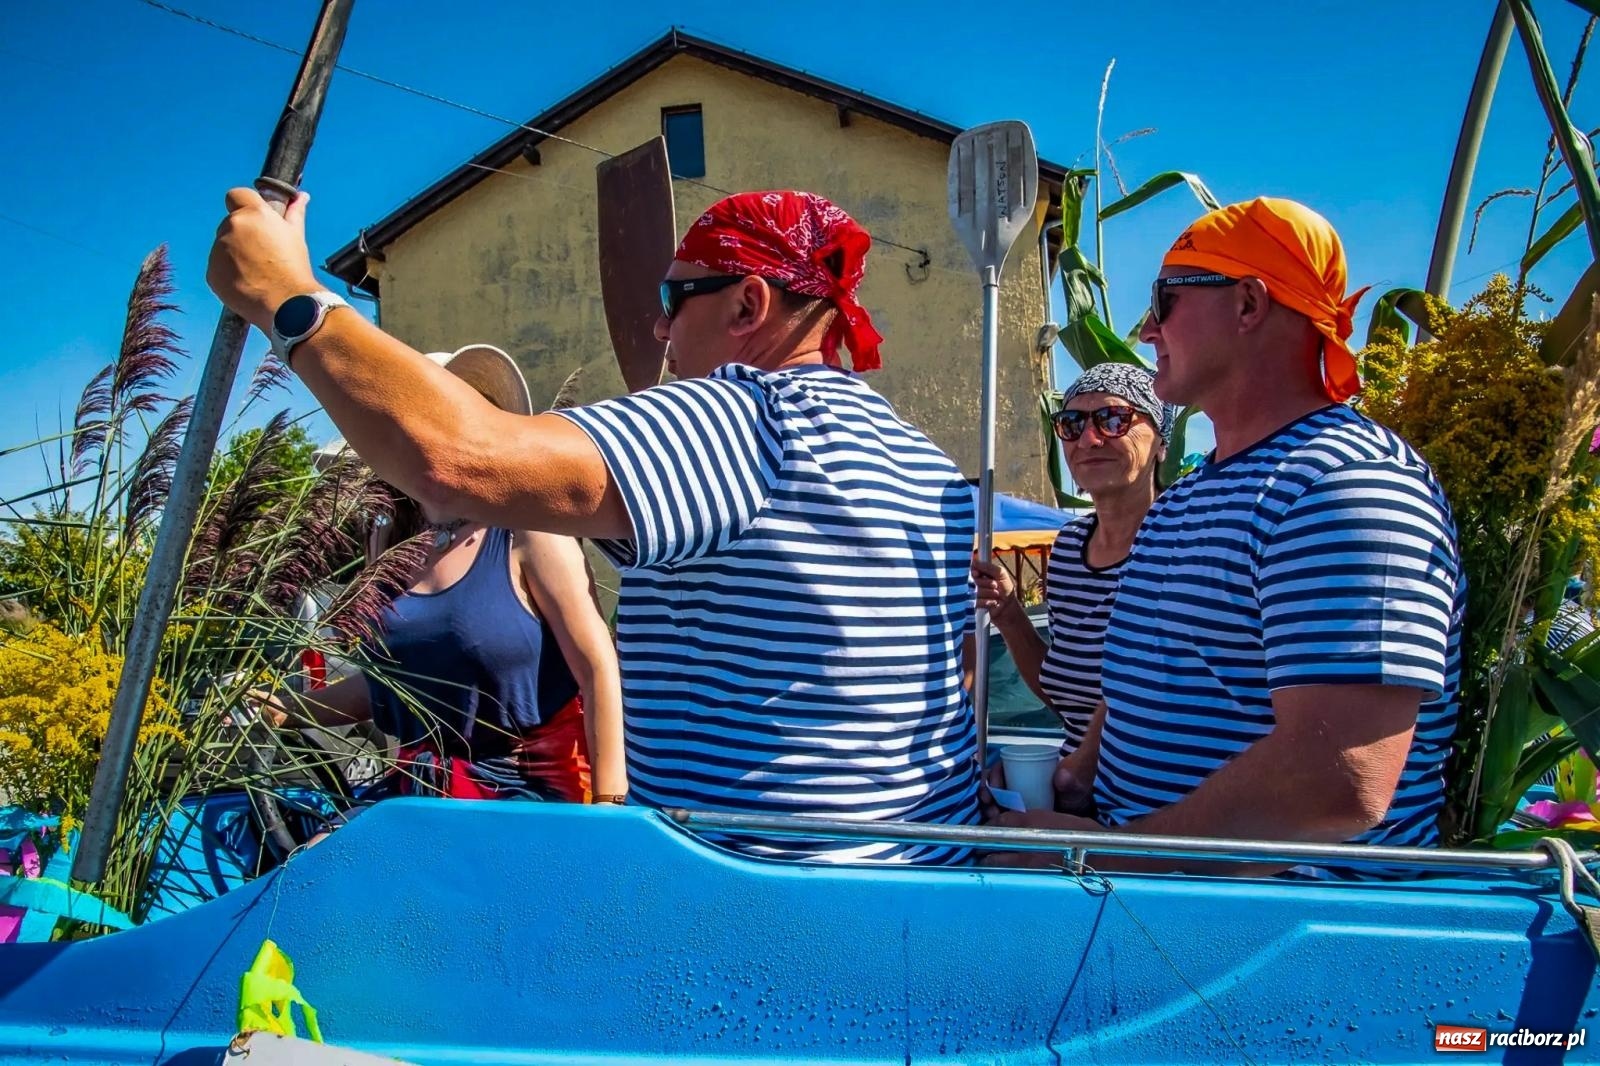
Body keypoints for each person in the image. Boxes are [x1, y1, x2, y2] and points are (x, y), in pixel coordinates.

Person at [209, 188, 978, 863]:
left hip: (755, 913)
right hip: (910, 887)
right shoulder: (918, 457)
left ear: (749, 305)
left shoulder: (745, 417)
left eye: (674, 302)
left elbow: (456, 459)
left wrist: (288, 295)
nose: (658, 331)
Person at [989, 198, 1466, 878]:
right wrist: (1076, 782)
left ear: (1248, 304)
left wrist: (1104, 853)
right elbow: (1142, 688)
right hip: (1162, 898)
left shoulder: (1344, 486)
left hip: (1275, 930)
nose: (1148, 328)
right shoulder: (1186, 500)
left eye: (1166, 299)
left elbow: (1337, 783)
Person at [261, 345, 627, 805]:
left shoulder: (527, 533)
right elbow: (393, 685)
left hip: (534, 797)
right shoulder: (389, 546)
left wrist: (610, 812)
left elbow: (597, 669)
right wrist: (284, 708)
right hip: (420, 796)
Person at [973, 362, 1171, 756]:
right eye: (1071, 423)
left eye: (1114, 419)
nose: (1089, 439)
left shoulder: (1179, 542)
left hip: (1157, 791)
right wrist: (1009, 613)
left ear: (1161, 441)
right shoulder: (1070, 548)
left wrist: (1083, 769)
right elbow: (1064, 696)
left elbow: (1160, 693)